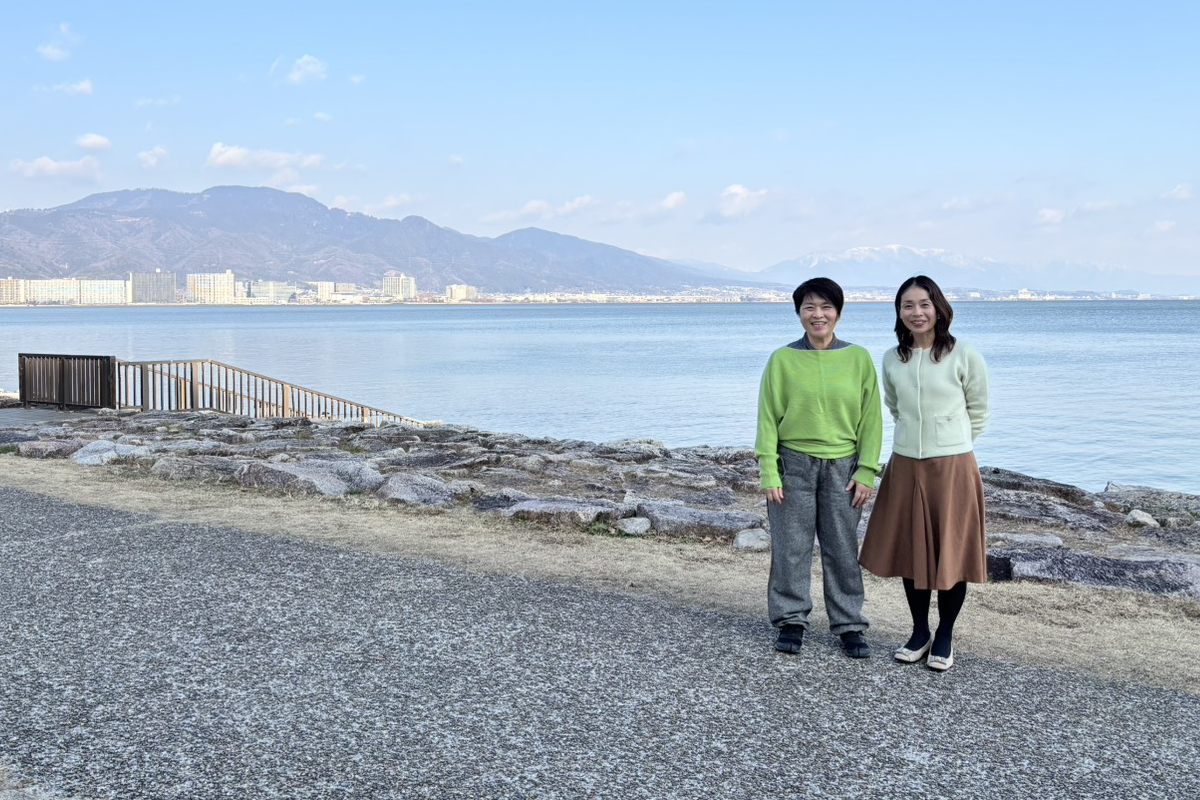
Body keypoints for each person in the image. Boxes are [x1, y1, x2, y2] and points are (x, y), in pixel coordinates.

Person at [859, 275, 990, 672]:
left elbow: (979, 410)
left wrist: (952, 443)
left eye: (924, 304)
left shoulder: (963, 354)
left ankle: (945, 634)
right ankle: (919, 631)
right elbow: (895, 407)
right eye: (907, 306)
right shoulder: (891, 358)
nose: (916, 313)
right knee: (911, 552)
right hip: (904, 465)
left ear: (938, 308)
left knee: (952, 553)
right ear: (899, 312)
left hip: (952, 467)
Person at [756, 277, 883, 659]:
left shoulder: (858, 358)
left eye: (826, 307)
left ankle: (849, 624)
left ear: (838, 313)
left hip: (843, 467)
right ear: (799, 313)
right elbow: (766, 417)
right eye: (809, 307)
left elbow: (871, 420)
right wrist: (769, 470)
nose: (818, 314)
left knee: (842, 548)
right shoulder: (782, 359)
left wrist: (866, 470)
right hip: (792, 462)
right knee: (791, 547)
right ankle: (791, 619)